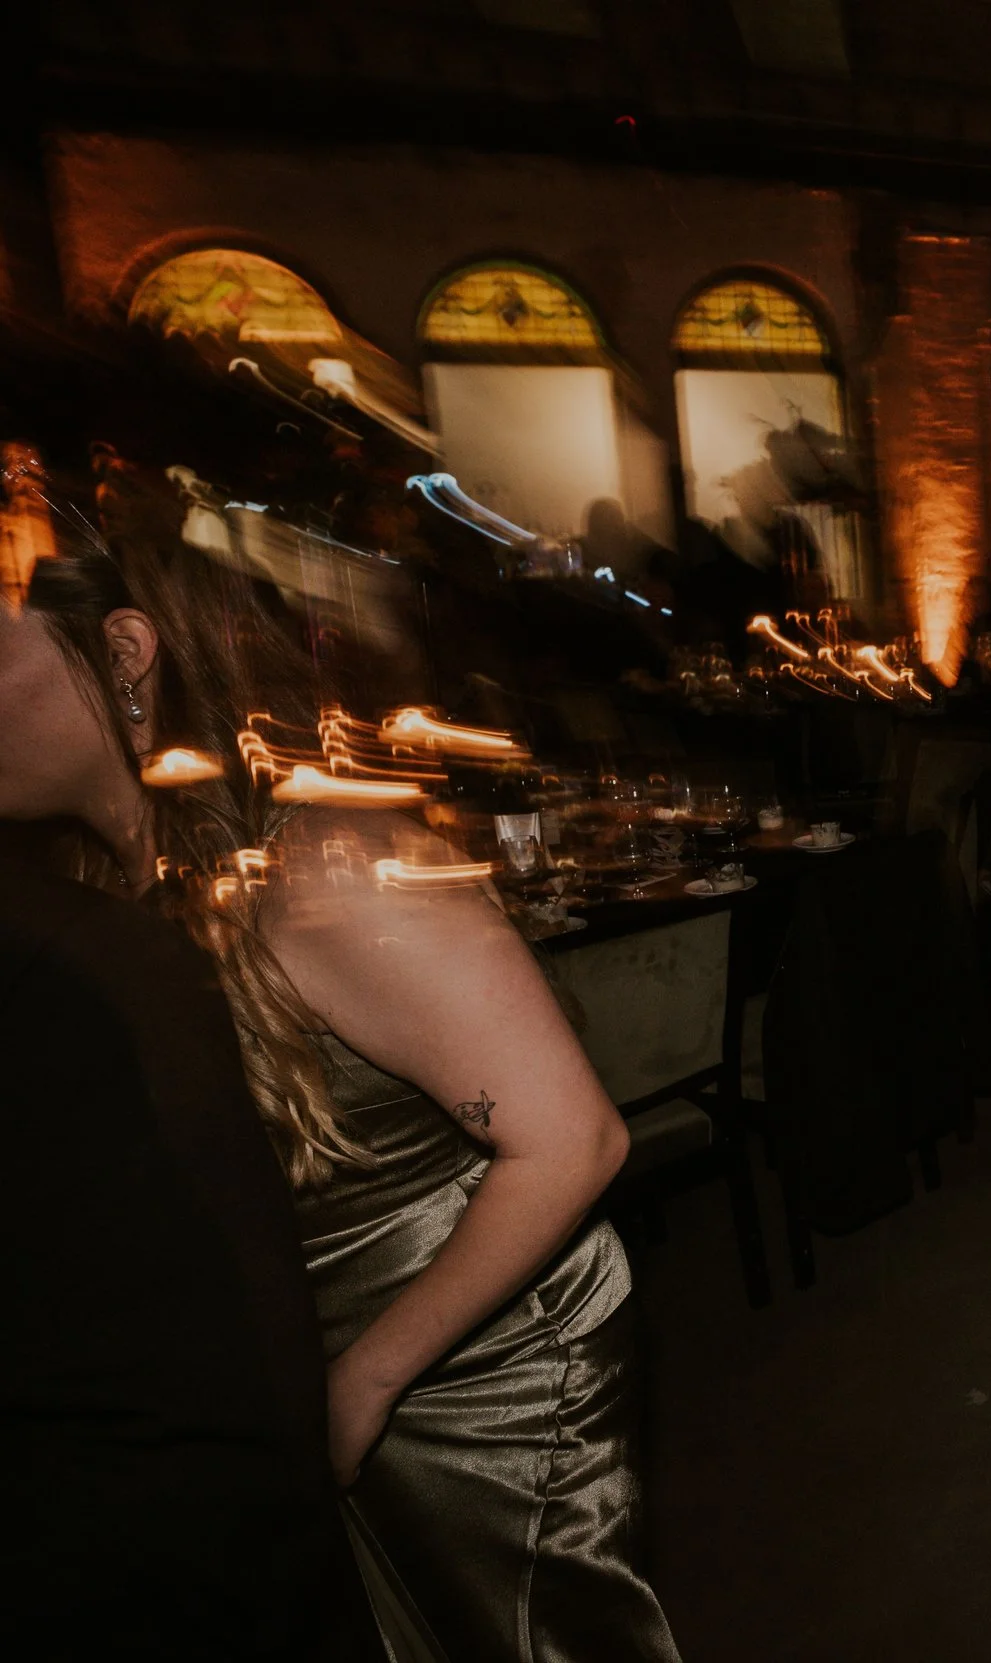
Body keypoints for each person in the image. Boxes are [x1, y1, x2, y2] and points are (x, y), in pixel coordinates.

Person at [2, 511, 680, 1661]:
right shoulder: (96, 884)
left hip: (477, 1375)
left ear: (123, 651)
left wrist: (365, 1379)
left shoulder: (328, 867)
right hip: (314, 1374)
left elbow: (570, 1140)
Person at [0, 857, 377, 1660]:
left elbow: (577, 1140)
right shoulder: (98, 918)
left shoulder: (78, 945)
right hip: (299, 1357)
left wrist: (366, 1379)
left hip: (397, 1349)